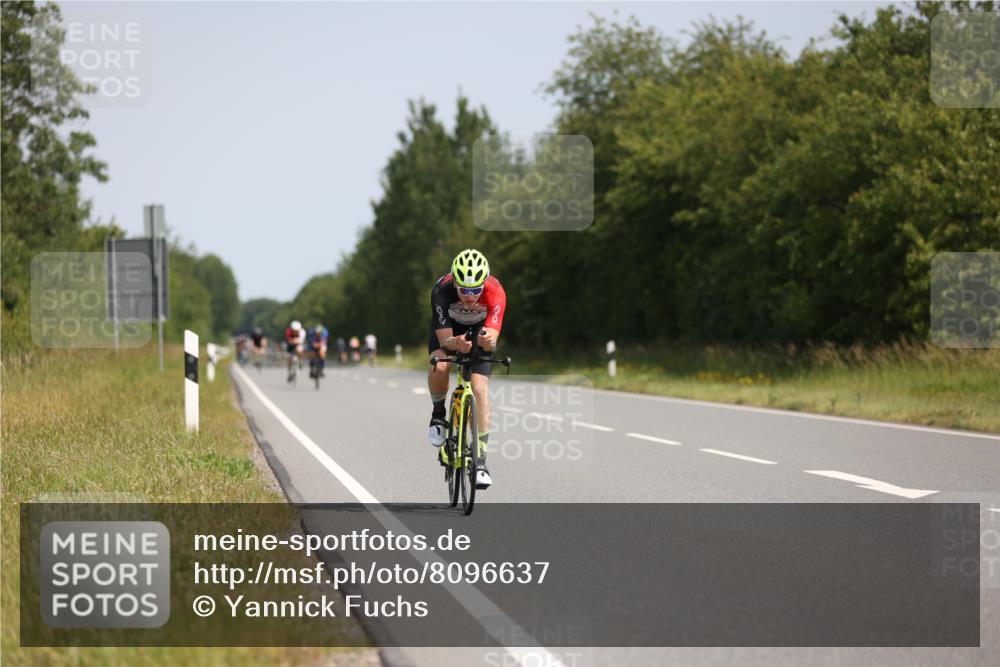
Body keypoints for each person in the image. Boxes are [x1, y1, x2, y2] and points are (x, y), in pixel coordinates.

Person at [427, 249, 506, 490]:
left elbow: (493, 335)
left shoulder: (496, 292)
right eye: (464, 290)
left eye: (475, 290)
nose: (469, 296)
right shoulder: (442, 290)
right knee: (440, 365)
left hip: (478, 332)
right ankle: (439, 414)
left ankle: (480, 461)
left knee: (480, 388)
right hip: (449, 332)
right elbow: (444, 340)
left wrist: (487, 341)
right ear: (455, 282)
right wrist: (456, 344)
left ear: (484, 283)